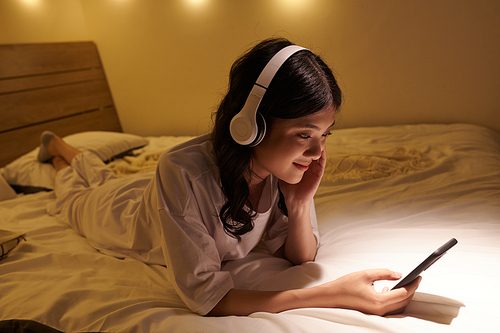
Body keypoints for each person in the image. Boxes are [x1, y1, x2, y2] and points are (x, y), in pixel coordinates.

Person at [38, 38, 420, 317]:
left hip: (150, 195)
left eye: (324, 136)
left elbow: (299, 255)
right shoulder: (182, 171)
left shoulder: (277, 170)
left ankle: (67, 150)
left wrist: (301, 203)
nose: (318, 152)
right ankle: (58, 154)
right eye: (305, 134)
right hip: (118, 216)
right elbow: (209, 298)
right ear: (250, 125)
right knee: (75, 197)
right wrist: (333, 294)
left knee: (102, 176)